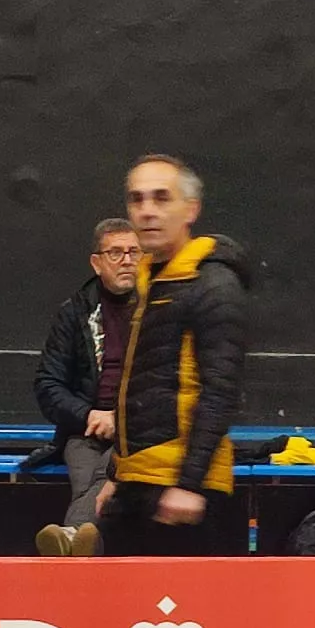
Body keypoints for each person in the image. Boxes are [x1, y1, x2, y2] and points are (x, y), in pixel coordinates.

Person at [93, 155, 249, 556]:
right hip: (138, 484)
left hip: (186, 497)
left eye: (162, 198)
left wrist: (188, 485)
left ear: (191, 210)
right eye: (137, 199)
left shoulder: (214, 284)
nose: (147, 211)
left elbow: (220, 391)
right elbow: (140, 382)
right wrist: (117, 473)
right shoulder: (149, 279)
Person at [31, 218, 143, 556]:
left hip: (139, 431)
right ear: (96, 262)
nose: (126, 260)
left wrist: (121, 420)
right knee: (90, 476)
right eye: (116, 252)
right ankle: (84, 543)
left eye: (134, 252)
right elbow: (47, 384)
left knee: (101, 476)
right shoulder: (74, 313)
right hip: (85, 431)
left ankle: (73, 538)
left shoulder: (158, 311)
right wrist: (89, 415)